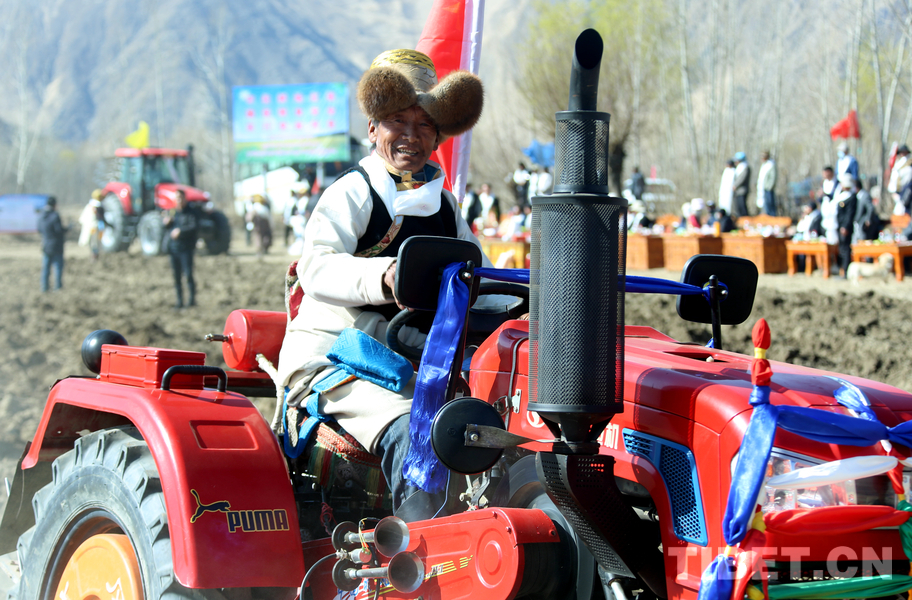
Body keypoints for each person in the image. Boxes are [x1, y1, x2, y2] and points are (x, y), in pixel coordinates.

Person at [276, 48, 487, 519]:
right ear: (373, 128)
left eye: (425, 124)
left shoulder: (445, 206)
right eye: (398, 121)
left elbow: (482, 277)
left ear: (437, 136)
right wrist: (384, 275)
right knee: (419, 431)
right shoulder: (353, 191)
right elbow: (316, 266)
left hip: (417, 359)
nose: (411, 135)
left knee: (495, 422)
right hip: (340, 357)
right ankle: (417, 550)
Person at [163, 189, 198, 309]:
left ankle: (191, 301)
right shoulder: (173, 212)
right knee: (176, 277)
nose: (179, 200)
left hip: (186, 249)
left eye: (181, 198)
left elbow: (193, 227)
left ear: (184, 198)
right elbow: (167, 229)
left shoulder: (191, 212)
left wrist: (181, 231)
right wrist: (166, 223)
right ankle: (179, 301)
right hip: (174, 249)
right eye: (177, 198)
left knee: (188, 275)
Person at [38, 196, 67, 292]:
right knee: (58, 267)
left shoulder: (42, 215)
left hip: (45, 244)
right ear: (54, 204)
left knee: (46, 267)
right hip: (56, 245)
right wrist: (67, 230)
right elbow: (59, 230)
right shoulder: (55, 215)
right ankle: (58, 287)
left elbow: (39, 229)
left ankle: (44, 287)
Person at [833, 173, 858, 278]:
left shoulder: (852, 197)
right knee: (841, 249)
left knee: (845, 249)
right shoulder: (842, 196)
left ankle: (846, 272)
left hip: (845, 227)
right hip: (839, 226)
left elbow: (849, 214)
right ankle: (842, 270)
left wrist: (845, 227)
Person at [78, 189, 106, 261]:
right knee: (95, 242)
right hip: (94, 227)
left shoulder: (90, 205)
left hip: (91, 226)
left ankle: (94, 255)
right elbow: (100, 218)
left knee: (92, 242)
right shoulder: (97, 206)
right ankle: (94, 256)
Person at [853, 178, 880, 243]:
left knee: (863, 239)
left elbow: (870, 208)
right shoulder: (857, 196)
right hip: (858, 222)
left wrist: (868, 219)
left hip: (863, 222)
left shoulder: (864, 195)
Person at [889, 144, 912, 215]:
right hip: (899, 190)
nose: (902, 154)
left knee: (904, 210)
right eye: (901, 152)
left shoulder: (909, 164)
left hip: (906, 189)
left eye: (904, 152)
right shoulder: (899, 163)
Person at [756, 151, 777, 216]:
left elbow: (773, 177)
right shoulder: (764, 165)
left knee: (770, 202)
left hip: (768, 188)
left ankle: (772, 215)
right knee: (765, 203)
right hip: (763, 187)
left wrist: (769, 187)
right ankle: (767, 214)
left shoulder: (771, 165)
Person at [732, 152, 751, 219]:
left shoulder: (745, 167)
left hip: (742, 190)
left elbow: (742, 178)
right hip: (737, 191)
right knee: (738, 206)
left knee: (742, 205)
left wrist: (735, 185)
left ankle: (745, 219)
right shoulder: (738, 167)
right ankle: (740, 218)